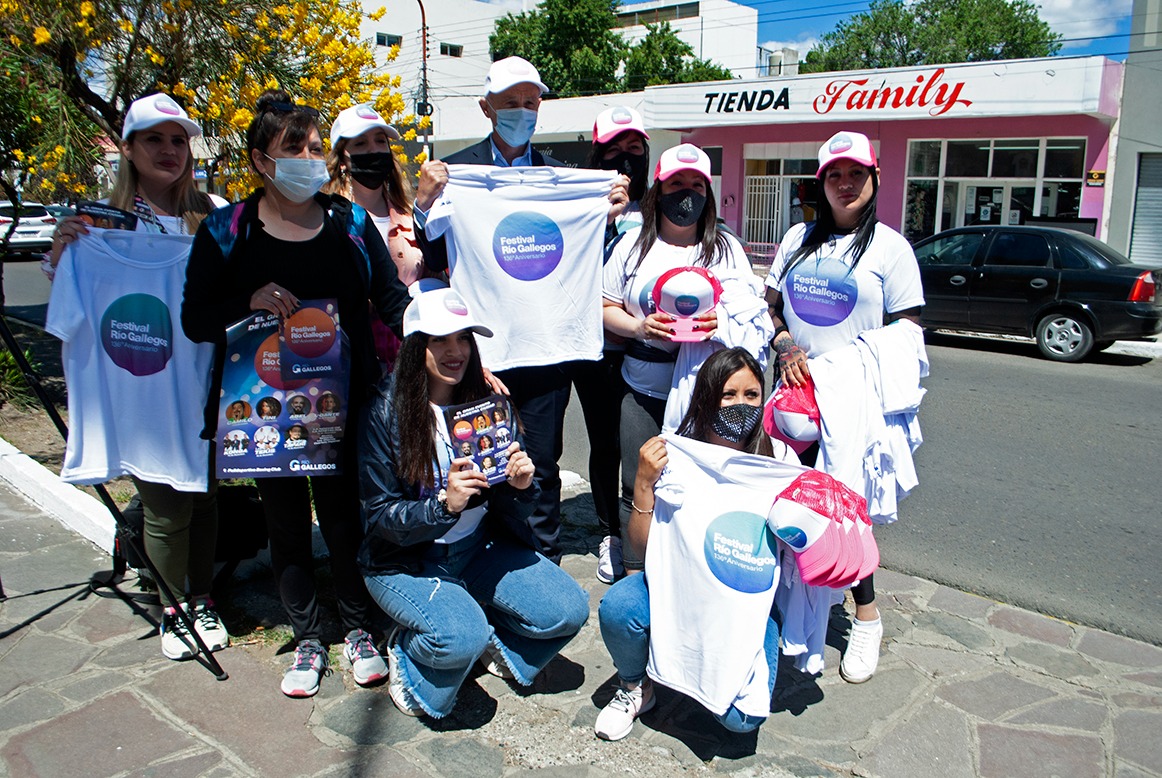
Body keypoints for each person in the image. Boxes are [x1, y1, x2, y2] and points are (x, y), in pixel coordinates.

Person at [182, 89, 411, 698]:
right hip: (267, 413)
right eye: (294, 148)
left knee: (344, 520)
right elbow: (195, 319)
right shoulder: (227, 230)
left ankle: (359, 629)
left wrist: (441, 337)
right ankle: (307, 637)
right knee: (286, 526)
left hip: (346, 404)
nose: (310, 158)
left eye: (315, 148)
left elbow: (391, 302)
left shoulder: (351, 222)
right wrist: (247, 303)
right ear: (261, 160)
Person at [412, 56, 630, 566]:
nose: (522, 111)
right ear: (486, 108)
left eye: (531, 103)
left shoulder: (560, 177)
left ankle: (540, 568)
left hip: (544, 350)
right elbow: (435, 256)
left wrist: (606, 213)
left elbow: (585, 255)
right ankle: (472, 556)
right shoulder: (456, 174)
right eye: (510, 103)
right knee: (472, 456)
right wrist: (424, 206)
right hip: (477, 351)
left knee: (539, 466)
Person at [46, 92, 229, 661]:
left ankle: (202, 597)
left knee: (203, 498)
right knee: (166, 504)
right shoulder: (99, 226)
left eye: (179, 140)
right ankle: (173, 607)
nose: (169, 151)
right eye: (154, 139)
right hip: (143, 384)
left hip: (207, 380)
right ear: (128, 149)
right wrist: (62, 254)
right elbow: (70, 309)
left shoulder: (216, 211)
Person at [357, 283, 589, 718]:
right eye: (440, 339)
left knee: (569, 610)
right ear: (414, 347)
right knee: (457, 642)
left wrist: (522, 489)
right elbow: (378, 514)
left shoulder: (489, 404)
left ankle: (484, 636)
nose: (455, 350)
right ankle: (409, 646)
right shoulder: (383, 411)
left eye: (463, 337)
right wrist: (443, 505)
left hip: (479, 549)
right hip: (405, 561)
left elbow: (514, 507)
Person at [764, 130, 925, 684]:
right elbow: (771, 308)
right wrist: (784, 344)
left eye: (856, 173)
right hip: (798, 401)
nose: (845, 183)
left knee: (848, 512)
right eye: (835, 174)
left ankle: (867, 618)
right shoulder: (795, 241)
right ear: (822, 183)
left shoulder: (890, 249)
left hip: (855, 404)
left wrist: (855, 363)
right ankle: (800, 603)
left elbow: (909, 326)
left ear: (874, 180)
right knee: (794, 506)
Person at [595, 348, 784, 741]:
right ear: (705, 397)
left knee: (741, 720)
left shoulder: (778, 460)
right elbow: (642, 551)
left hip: (739, 603)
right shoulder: (673, 454)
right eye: (728, 394)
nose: (741, 405)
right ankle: (636, 686)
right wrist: (644, 484)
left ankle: (724, 659)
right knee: (619, 606)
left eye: (751, 395)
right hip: (676, 588)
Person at [601, 143, 757, 577]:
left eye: (696, 185)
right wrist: (637, 327)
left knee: (701, 487)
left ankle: (690, 572)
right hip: (644, 385)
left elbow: (751, 312)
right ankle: (636, 573)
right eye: (676, 184)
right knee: (639, 480)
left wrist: (720, 321)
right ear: (658, 190)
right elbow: (604, 304)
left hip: (708, 392)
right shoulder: (633, 245)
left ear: (708, 193)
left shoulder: (726, 249)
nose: (686, 193)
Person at [576, 105, 651, 584]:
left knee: (648, 446)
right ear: (597, 156)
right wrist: (603, 220)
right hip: (598, 350)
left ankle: (647, 528)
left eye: (634, 149)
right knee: (605, 443)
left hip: (652, 353)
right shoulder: (584, 206)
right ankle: (609, 532)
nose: (625, 159)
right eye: (613, 150)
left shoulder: (666, 203)